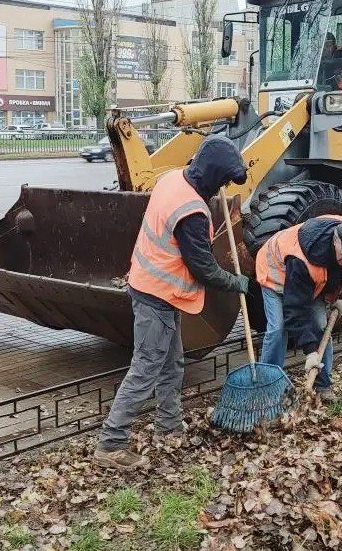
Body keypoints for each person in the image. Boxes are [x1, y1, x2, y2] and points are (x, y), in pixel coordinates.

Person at [97, 135, 250, 468]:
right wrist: (235, 282)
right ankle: (111, 445)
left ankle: (168, 427)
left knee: (171, 364)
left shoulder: (172, 180)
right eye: (223, 180)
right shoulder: (191, 211)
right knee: (145, 369)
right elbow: (204, 267)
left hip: (157, 290)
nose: (223, 187)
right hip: (155, 295)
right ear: (212, 175)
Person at [255, 215, 342, 401]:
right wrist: (310, 351)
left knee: (321, 325)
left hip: (309, 284)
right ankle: (267, 385)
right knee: (278, 329)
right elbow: (295, 309)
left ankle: (323, 386)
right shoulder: (301, 260)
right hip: (275, 275)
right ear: (336, 240)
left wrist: (340, 297)